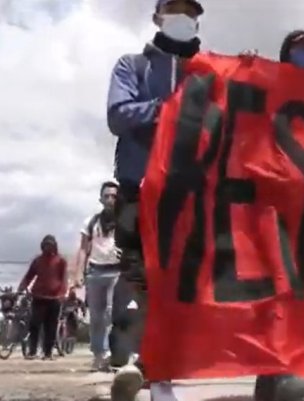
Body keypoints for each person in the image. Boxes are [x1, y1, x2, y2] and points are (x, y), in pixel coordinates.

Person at [106, 0, 204, 400]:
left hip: (194, 195)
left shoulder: (210, 71)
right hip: (140, 190)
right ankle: (153, 373)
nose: (183, 16)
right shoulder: (132, 66)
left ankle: (156, 366)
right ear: (157, 18)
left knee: (184, 286)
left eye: (190, 10)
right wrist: (171, 110)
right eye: (174, 8)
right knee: (145, 282)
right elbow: (119, 114)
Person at [250, 29, 304, 401]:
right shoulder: (267, 90)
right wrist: (246, 74)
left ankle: (272, 379)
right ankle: (283, 369)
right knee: (282, 285)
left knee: (302, 291)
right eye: (301, 48)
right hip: (271, 203)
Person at [74, 181, 120, 371]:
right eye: (106, 196)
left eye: (114, 196)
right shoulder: (91, 222)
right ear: (100, 199)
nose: (110, 199)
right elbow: (84, 249)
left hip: (117, 271)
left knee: (111, 313)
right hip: (95, 271)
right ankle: (98, 354)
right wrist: (79, 273)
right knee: (96, 317)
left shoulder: (124, 221)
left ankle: (110, 354)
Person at [17, 235, 67, 361]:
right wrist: (21, 288)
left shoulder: (61, 261)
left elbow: (64, 279)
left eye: (50, 245)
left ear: (54, 246)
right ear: (42, 246)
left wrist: (62, 294)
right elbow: (29, 276)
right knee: (34, 324)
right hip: (39, 296)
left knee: (50, 326)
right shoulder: (38, 261)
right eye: (45, 245)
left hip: (55, 298)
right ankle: (32, 351)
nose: (48, 247)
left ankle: (48, 352)